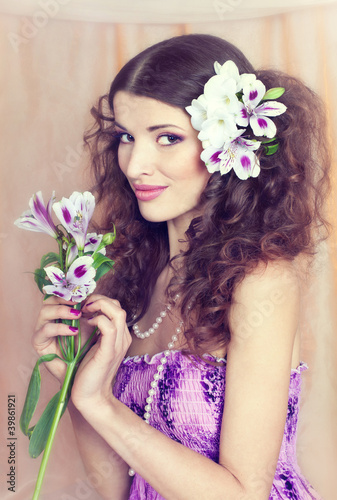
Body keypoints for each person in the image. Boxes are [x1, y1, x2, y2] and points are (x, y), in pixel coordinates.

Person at [33, 34, 330, 499]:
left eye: (168, 138)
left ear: (227, 145)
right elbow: (116, 489)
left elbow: (243, 495)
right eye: (127, 137)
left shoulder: (260, 279)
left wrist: (103, 405)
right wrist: (73, 380)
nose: (135, 165)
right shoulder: (132, 279)